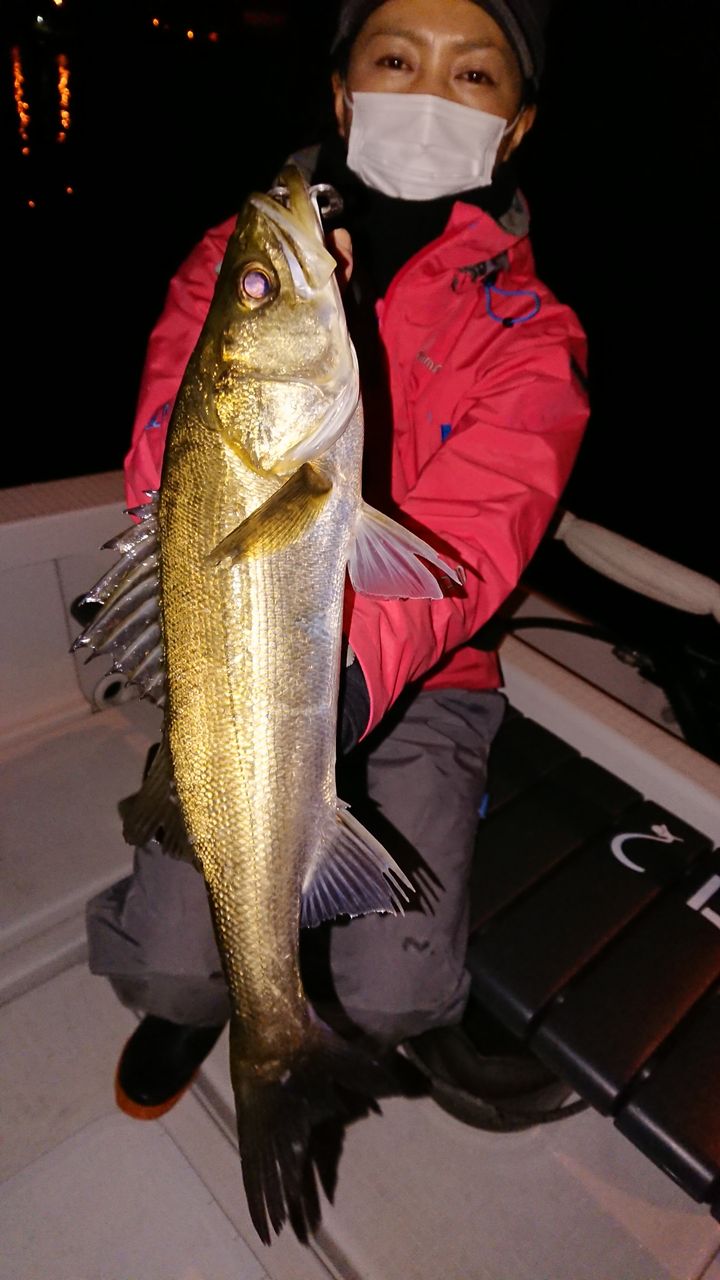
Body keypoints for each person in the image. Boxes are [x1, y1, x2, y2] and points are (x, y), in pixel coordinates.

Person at [86, 0, 589, 1127]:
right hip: (233, 674)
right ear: (343, 91)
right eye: (397, 58)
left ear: (516, 125)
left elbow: (469, 545)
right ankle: (213, 998)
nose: (430, 92)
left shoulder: (535, 332)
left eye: (474, 74)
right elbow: (167, 449)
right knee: (169, 967)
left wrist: (345, 681)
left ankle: (380, 1006)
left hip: (427, 678)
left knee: (392, 998)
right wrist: (302, 310)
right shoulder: (237, 259)